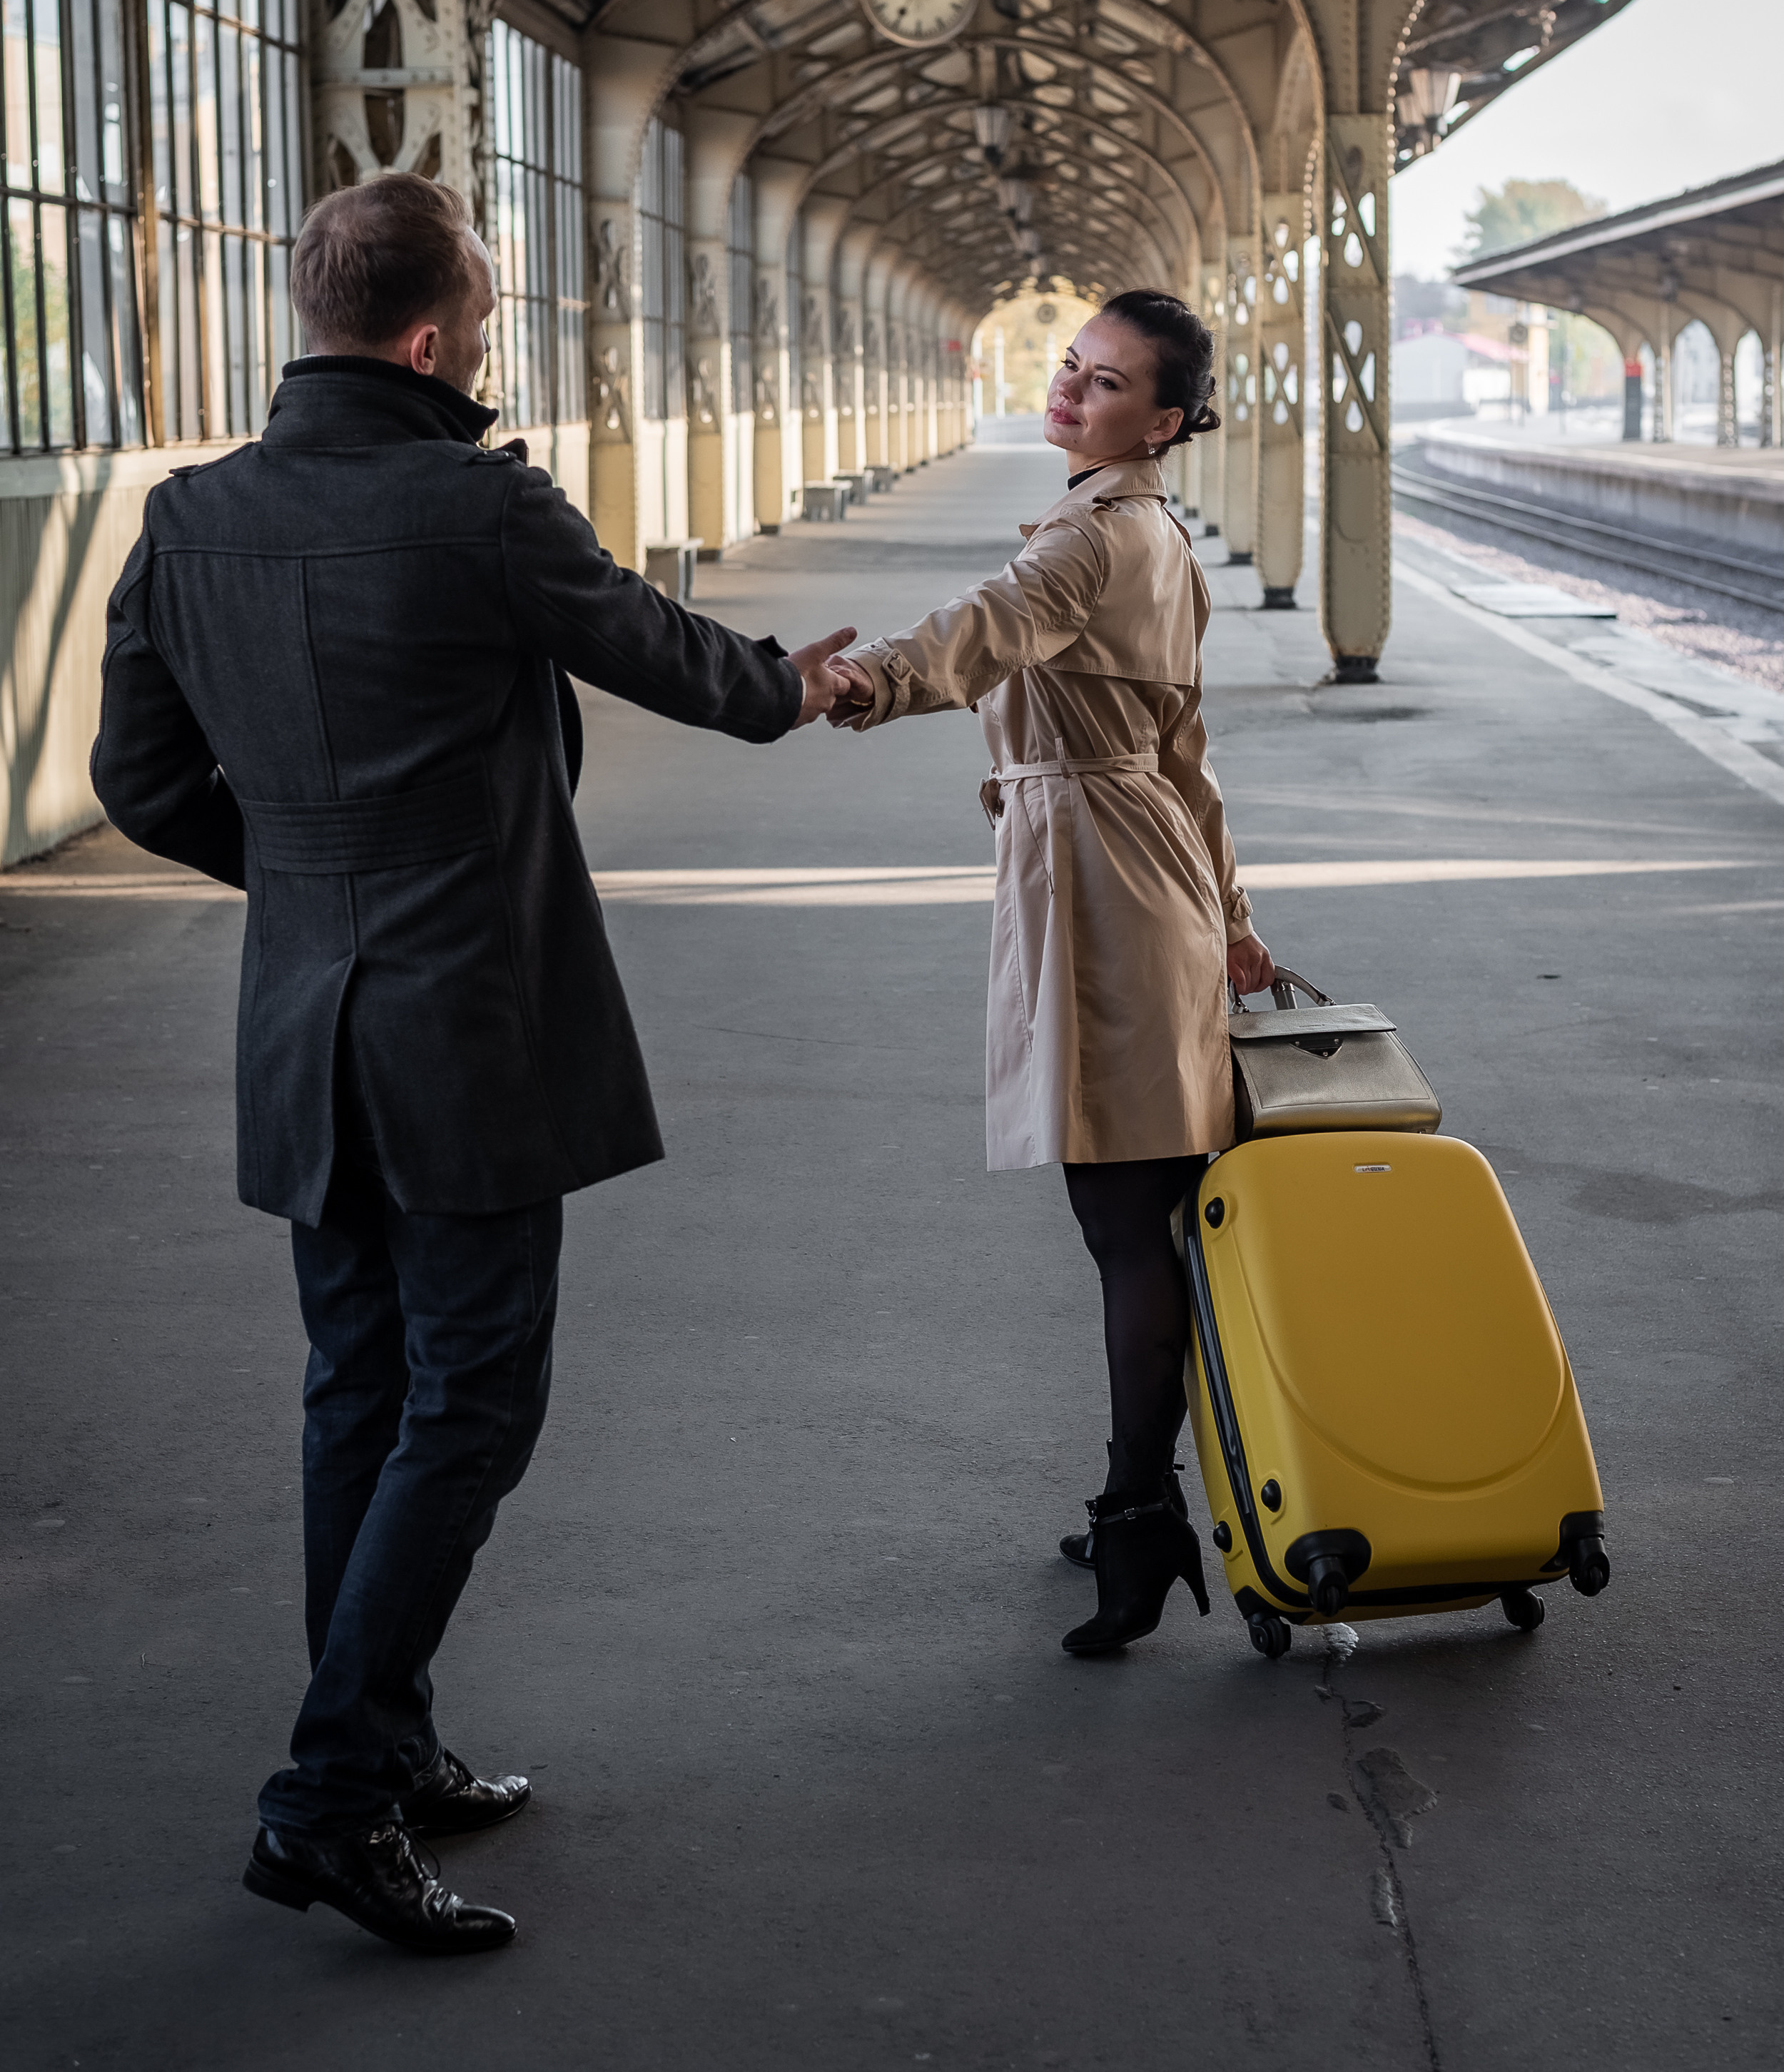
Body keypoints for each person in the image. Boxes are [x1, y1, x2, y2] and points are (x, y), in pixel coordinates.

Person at [89, 170, 854, 1957]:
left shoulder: (188, 519)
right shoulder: (476, 503)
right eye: (489, 330)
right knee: (473, 1404)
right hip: (471, 1034)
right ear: (435, 339)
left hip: (306, 1031)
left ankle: (389, 1735)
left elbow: (139, 785)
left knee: (358, 1394)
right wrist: (787, 687)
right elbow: (670, 659)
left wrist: (301, 890)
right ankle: (332, 1796)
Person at [826, 290, 1272, 1657]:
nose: (1074, 391)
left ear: (1172, 419)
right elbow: (1189, 754)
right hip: (1142, 872)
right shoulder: (1162, 537)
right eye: (1072, 367)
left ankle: (1141, 1520)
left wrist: (847, 682)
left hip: (1101, 887)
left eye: (1112, 381)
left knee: (1127, 1223)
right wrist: (1236, 916)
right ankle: (1145, 1496)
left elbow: (979, 632)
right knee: (1141, 1215)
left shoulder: (1087, 539)